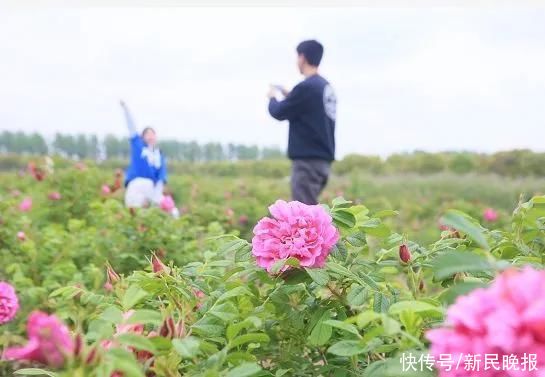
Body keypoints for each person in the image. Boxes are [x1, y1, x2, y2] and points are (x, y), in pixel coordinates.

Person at [267, 40, 337, 205]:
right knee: (311, 211)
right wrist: (289, 94)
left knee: (304, 215)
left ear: (302, 57)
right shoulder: (325, 87)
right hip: (322, 162)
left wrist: (272, 97)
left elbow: (278, 112)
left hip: (307, 164)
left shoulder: (306, 88)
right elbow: (308, 107)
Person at [120, 100, 178, 218]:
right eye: (147, 133)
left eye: (153, 133)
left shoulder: (159, 156)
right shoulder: (138, 147)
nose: (150, 136)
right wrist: (126, 109)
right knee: (134, 213)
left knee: (171, 210)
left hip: (151, 187)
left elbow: (161, 177)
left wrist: (158, 193)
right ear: (143, 137)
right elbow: (131, 127)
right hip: (136, 184)